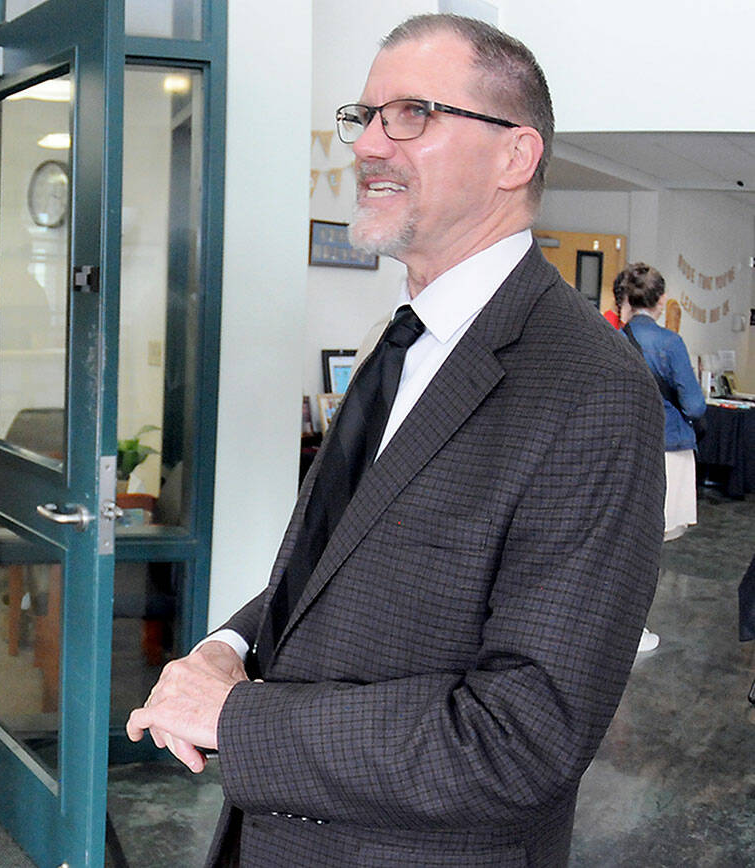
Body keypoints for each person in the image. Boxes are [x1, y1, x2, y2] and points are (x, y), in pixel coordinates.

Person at [126, 14, 664, 866]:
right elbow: (333, 571)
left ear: (514, 156)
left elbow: (522, 739)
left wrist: (235, 716)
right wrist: (223, 650)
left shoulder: (592, 388)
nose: (369, 144)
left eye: (412, 113)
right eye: (366, 115)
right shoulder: (405, 341)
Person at [618, 263, 707, 541]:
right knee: (661, 535)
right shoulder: (670, 343)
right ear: (661, 299)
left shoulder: (614, 339)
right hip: (669, 444)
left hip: (625, 445)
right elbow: (694, 406)